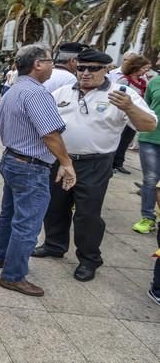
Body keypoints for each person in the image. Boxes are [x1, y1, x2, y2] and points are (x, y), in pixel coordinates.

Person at [32, 49, 156, 281]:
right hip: (61, 160)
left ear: (106, 69)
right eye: (81, 68)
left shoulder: (121, 93)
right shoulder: (62, 91)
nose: (86, 73)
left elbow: (148, 125)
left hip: (95, 163)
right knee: (55, 206)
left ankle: (89, 259)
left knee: (87, 214)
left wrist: (129, 107)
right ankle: (54, 245)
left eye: (93, 68)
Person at [0, 43, 77, 297]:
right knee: (27, 223)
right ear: (37, 64)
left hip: (13, 159)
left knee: (9, 214)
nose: (53, 65)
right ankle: (13, 274)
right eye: (50, 61)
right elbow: (50, 134)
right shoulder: (36, 93)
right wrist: (66, 162)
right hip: (30, 165)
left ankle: (0, 256)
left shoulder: (14, 90)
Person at [113, 55, 153, 174]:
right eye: (144, 68)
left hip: (134, 115)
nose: (146, 71)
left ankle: (119, 163)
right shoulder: (124, 80)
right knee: (119, 138)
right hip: (123, 114)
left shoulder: (143, 82)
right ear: (136, 67)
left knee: (126, 140)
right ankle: (111, 163)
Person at [135, 53, 160, 234]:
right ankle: (148, 217)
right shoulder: (154, 82)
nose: (157, 62)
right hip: (150, 139)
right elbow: (147, 108)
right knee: (150, 180)